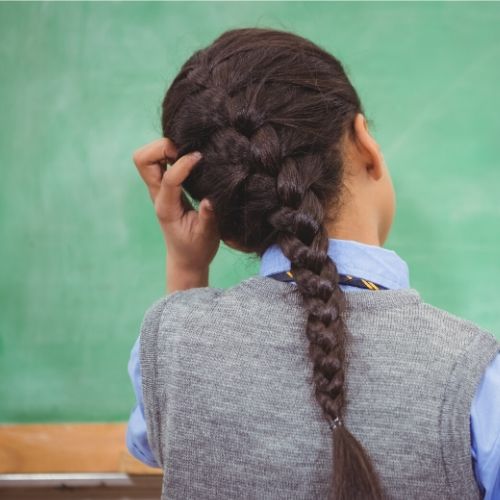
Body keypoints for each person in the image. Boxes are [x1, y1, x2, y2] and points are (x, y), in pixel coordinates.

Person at [127, 28, 500, 499]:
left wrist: (186, 269)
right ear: (365, 143)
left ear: (231, 231)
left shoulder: (171, 341)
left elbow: (159, 439)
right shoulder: (474, 374)